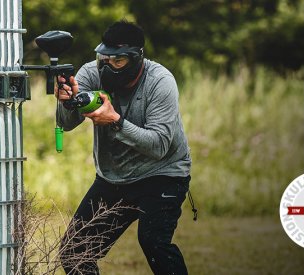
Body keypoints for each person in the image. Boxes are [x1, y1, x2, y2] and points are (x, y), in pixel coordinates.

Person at [55, 20, 194, 275]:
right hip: (113, 178)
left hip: (163, 174)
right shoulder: (90, 73)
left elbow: (159, 145)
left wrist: (115, 122)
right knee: (75, 252)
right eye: (104, 58)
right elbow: (66, 124)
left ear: (136, 58)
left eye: (117, 61)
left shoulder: (160, 82)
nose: (108, 66)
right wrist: (67, 102)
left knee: (154, 242)